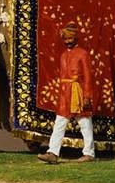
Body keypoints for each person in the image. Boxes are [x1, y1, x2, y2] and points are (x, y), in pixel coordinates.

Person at [38, 22, 96, 164]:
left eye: (70, 39)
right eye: (65, 39)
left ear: (76, 38)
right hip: (65, 94)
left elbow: (88, 76)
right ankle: (52, 153)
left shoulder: (83, 54)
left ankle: (89, 153)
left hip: (78, 93)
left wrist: (87, 96)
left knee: (84, 123)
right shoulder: (63, 55)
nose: (67, 42)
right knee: (60, 122)